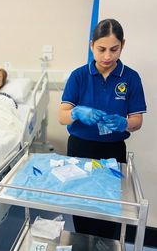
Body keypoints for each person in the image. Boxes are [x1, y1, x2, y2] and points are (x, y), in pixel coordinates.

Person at [58, 18, 146, 239]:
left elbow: (137, 120)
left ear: (122, 46)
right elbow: (62, 116)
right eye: (101, 49)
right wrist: (76, 113)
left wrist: (125, 123)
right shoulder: (79, 76)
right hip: (80, 150)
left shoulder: (131, 77)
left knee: (109, 209)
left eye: (114, 49)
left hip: (113, 151)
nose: (107, 56)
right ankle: (82, 247)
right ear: (91, 46)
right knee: (82, 207)